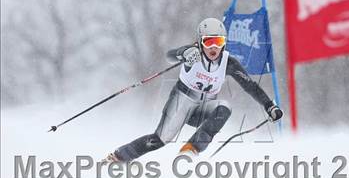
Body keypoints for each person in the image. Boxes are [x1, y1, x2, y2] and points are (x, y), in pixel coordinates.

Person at [104, 18, 282, 162]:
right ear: (200, 42)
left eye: (218, 42)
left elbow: (250, 86)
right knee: (159, 140)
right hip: (181, 103)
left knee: (224, 108)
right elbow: (171, 55)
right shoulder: (192, 54)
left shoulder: (229, 63)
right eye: (209, 41)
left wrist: (269, 106)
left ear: (224, 43)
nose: (214, 47)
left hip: (202, 110)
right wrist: (184, 54)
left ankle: (191, 149)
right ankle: (119, 157)